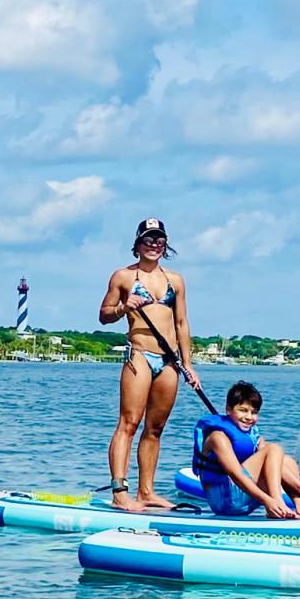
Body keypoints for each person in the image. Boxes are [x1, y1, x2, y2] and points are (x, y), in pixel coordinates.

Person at [99, 218, 200, 512]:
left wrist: (188, 364)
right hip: (140, 356)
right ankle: (120, 492)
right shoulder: (123, 277)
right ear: (138, 244)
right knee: (129, 424)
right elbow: (104, 315)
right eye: (148, 240)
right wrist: (123, 307)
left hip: (169, 361)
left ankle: (147, 492)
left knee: (155, 429)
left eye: (159, 240)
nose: (154, 245)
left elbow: (181, 323)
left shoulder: (176, 281)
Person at [193, 381, 300, 518]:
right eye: (243, 410)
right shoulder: (218, 437)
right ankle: (281, 501)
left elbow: (274, 461)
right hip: (225, 502)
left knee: (286, 461)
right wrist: (268, 500)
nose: (249, 417)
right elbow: (236, 475)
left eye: (254, 413)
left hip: (242, 497)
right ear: (228, 409)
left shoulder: (252, 435)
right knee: (274, 448)